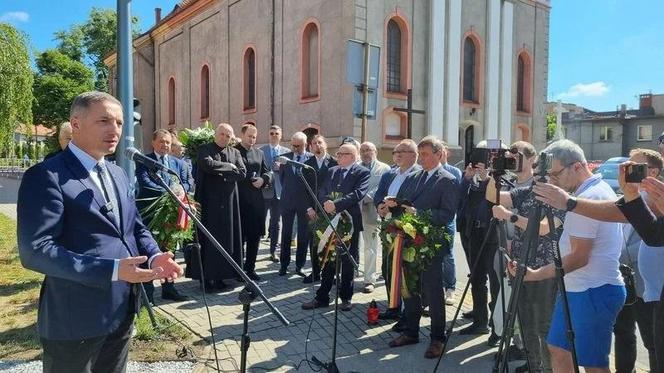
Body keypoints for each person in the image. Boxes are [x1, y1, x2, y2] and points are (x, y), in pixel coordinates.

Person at [17, 91, 183, 373]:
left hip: (121, 310)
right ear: (76, 124)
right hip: (74, 319)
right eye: (104, 121)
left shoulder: (118, 173)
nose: (115, 129)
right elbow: (36, 251)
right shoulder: (46, 176)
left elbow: (133, 227)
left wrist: (155, 256)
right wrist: (113, 270)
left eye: (119, 122)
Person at [533, 148, 664, 372]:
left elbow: (582, 254)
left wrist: (570, 203)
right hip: (631, 287)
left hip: (600, 287)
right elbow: (653, 234)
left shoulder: (597, 193)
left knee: (602, 357)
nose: (629, 171)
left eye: (637, 167)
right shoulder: (638, 195)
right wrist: (632, 194)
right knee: (560, 349)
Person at [511, 139, 625, 373]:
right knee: (558, 349)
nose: (552, 182)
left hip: (593, 290)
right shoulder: (583, 194)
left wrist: (535, 275)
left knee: (593, 364)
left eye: (556, 175)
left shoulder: (590, 197)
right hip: (577, 289)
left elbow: (579, 257)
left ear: (577, 166)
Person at [487, 143, 562, 373]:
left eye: (516, 157)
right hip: (520, 263)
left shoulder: (556, 194)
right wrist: (495, 171)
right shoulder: (525, 191)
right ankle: (533, 366)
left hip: (544, 267)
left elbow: (544, 229)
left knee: (544, 325)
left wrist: (511, 218)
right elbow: (493, 196)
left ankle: (548, 370)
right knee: (526, 322)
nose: (513, 161)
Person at [385, 136, 459, 359]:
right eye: (421, 154)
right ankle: (411, 332)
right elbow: (405, 202)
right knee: (410, 289)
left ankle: (437, 338)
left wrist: (419, 215)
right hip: (408, 240)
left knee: (433, 292)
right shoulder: (414, 176)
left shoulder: (447, 179)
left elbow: (446, 214)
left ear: (439, 154)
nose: (422, 159)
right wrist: (391, 206)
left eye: (426, 154)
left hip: (431, 245)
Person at [301, 144, 370, 311]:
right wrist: (326, 204)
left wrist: (336, 205)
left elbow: (358, 194)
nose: (338, 156)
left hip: (349, 223)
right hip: (329, 221)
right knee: (328, 258)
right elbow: (322, 190)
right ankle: (322, 297)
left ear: (352, 156)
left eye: (342, 154)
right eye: (338, 154)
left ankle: (346, 297)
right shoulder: (333, 171)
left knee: (347, 260)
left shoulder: (362, 172)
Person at [135, 129, 191, 303]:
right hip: (151, 214)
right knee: (150, 251)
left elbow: (188, 182)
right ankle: (148, 293)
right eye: (161, 141)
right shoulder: (144, 161)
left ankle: (169, 288)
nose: (165, 145)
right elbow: (145, 183)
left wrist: (181, 191)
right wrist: (170, 193)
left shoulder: (178, 164)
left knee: (169, 251)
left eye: (167, 142)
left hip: (172, 215)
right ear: (153, 142)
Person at [194, 123, 246, 292]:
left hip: (230, 204)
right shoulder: (205, 148)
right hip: (210, 204)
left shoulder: (235, 152)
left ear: (231, 138)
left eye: (228, 135)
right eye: (222, 134)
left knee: (227, 239)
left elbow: (242, 172)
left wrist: (221, 170)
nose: (224, 137)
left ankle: (223, 276)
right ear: (216, 134)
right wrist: (229, 167)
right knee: (210, 241)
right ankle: (208, 278)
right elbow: (206, 164)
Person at [458, 141, 501, 342]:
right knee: (476, 278)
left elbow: (497, 200)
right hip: (474, 233)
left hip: (493, 236)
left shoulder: (503, 175)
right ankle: (480, 320)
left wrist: (487, 180)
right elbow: (461, 200)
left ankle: (497, 326)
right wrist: (467, 178)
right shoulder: (472, 177)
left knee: (495, 283)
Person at [374, 139, 421, 321]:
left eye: (403, 151)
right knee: (388, 268)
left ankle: (408, 313)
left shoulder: (419, 175)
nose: (398, 155)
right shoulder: (389, 174)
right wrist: (380, 206)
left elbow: (415, 202)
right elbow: (379, 194)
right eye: (396, 152)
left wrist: (397, 206)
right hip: (388, 228)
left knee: (406, 272)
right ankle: (393, 306)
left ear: (414, 155)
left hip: (407, 231)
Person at [235, 124, 271, 281]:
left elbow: (267, 171)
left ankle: (250, 268)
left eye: (254, 137)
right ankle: (238, 270)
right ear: (242, 135)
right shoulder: (233, 151)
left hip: (256, 202)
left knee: (254, 237)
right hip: (238, 201)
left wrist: (263, 179)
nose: (252, 139)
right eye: (249, 136)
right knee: (239, 238)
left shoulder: (259, 153)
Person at [303, 135, 337, 283]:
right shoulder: (307, 164)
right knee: (314, 242)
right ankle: (315, 272)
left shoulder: (334, 163)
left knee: (331, 242)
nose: (317, 145)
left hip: (330, 209)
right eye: (314, 143)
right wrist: (308, 208)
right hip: (313, 210)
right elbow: (302, 189)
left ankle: (332, 273)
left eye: (319, 142)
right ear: (310, 147)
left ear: (325, 145)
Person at [278, 132, 312, 276]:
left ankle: (299, 266)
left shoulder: (311, 159)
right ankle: (284, 265)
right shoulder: (286, 158)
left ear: (305, 144)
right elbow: (282, 178)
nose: (295, 148)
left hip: (304, 203)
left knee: (303, 235)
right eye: (293, 145)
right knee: (286, 234)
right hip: (288, 201)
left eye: (298, 146)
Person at [358, 141, 390, 293]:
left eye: (368, 150)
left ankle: (369, 279)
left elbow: (382, 188)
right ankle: (351, 272)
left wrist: (365, 197)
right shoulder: (356, 166)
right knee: (351, 243)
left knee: (370, 246)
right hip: (355, 210)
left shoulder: (384, 168)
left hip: (372, 210)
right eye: (362, 150)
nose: (365, 153)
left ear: (375, 151)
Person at [261, 125, 289, 262]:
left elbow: (290, 174)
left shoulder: (286, 152)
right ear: (268, 135)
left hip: (279, 192)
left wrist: (282, 168)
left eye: (276, 133)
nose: (273, 135)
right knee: (259, 221)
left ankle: (273, 251)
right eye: (271, 133)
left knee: (276, 223)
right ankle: (252, 250)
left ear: (280, 135)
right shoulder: (261, 151)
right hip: (264, 191)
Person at [439, 140, 462, 304]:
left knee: (448, 255)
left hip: (447, 220)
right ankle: (437, 286)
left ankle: (450, 288)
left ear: (447, 153)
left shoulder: (454, 172)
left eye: (442, 151)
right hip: (432, 219)